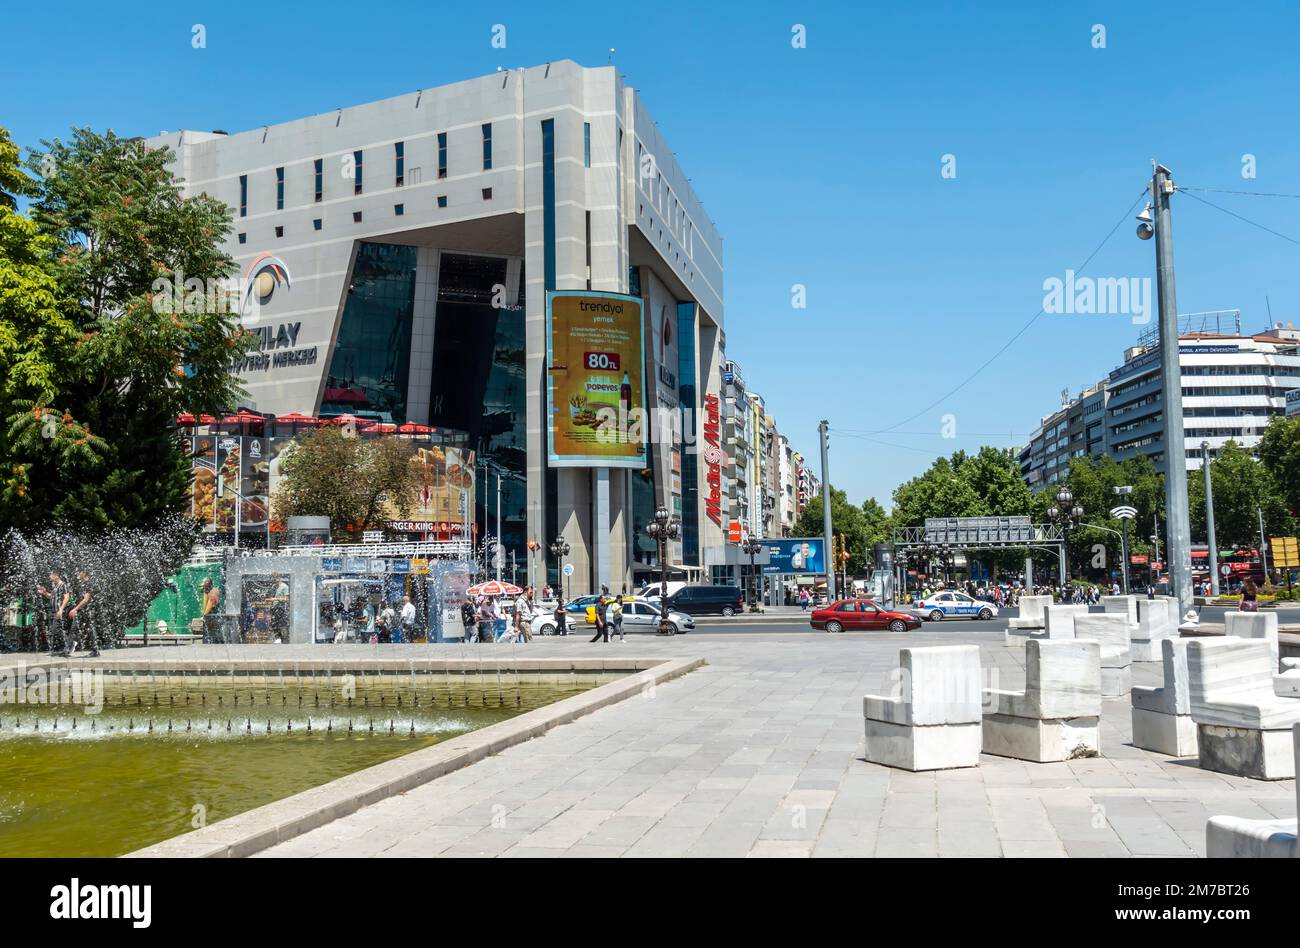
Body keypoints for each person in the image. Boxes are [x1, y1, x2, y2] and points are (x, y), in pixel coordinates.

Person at [67, 568, 100, 656]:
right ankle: (68, 647)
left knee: (88, 629)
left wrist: (75, 609)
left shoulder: (87, 584)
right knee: (76, 628)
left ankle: (95, 650)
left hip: (87, 610)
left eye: (79, 572)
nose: (77, 574)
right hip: (84, 610)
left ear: (84, 573)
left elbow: (86, 600)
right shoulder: (85, 584)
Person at [37, 571, 70, 657]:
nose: (50, 579)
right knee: (52, 631)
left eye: (51, 577)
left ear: (56, 576)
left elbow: (67, 598)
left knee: (56, 629)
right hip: (52, 611)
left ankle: (67, 647)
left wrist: (61, 609)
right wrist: (44, 593)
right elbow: (51, 596)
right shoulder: (54, 586)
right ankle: (59, 649)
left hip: (58, 611)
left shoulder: (63, 585)